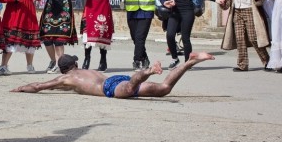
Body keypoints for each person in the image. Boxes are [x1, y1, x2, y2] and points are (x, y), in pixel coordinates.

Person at [11, 52, 215, 98]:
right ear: (74, 64)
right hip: (113, 80)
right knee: (163, 89)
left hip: (109, 88)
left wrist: (20, 87)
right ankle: (190, 61)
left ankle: (148, 71)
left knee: (129, 88)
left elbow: (39, 86)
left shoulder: (65, 79)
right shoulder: (85, 71)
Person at [163, 0, 225, 69]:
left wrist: (215, 0)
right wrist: (169, 2)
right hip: (175, 12)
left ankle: (188, 62)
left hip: (187, 11)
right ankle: (175, 58)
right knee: (170, 35)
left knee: (185, 37)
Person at [220, 0, 271, 72]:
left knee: (254, 38)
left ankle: (267, 61)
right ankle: (242, 65)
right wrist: (224, 1)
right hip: (237, 11)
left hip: (249, 10)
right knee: (240, 39)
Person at [77, 0, 122, 72]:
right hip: (91, 7)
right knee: (89, 35)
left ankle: (103, 60)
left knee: (103, 33)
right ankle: (87, 59)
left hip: (104, 7)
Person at [120, 0, 165, 71]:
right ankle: (145, 58)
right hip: (132, 10)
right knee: (135, 38)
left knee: (140, 37)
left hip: (146, 11)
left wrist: (165, 1)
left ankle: (137, 61)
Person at [0, 0, 44, 74]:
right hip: (14, 11)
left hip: (29, 12)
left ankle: (30, 66)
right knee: (10, 39)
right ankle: (3, 66)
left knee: (29, 40)